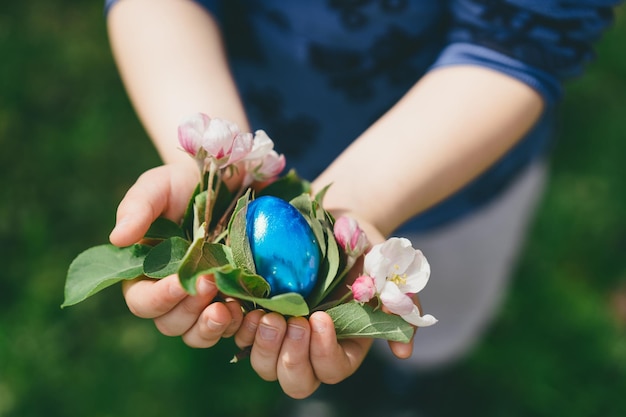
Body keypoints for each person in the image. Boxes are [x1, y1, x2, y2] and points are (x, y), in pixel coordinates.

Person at [103, 0, 620, 403]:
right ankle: (359, 391)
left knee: (439, 313)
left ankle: (412, 384)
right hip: (258, 131)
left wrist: (360, 203)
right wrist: (221, 154)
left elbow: (520, 37)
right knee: (333, 335)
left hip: (453, 169)